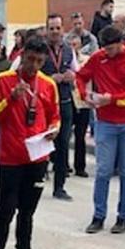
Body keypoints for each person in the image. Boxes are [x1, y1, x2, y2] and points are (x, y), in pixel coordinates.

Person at [0, 37, 59, 249]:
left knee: (28, 211)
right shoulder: (4, 80)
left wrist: (55, 129)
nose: (33, 65)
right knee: (4, 210)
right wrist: (11, 99)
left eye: (39, 61)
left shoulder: (48, 84)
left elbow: (55, 117)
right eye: (30, 60)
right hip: (11, 157)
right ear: (21, 56)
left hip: (37, 156)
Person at [77, 27, 125, 234]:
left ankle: (122, 217)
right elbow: (80, 76)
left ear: (121, 42)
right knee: (103, 171)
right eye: (105, 48)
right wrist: (85, 95)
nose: (108, 52)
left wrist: (112, 99)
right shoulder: (98, 58)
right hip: (105, 122)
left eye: (111, 48)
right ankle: (98, 216)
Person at [42, 14, 78, 201]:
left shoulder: (68, 50)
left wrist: (72, 74)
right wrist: (49, 79)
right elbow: (26, 71)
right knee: (42, 143)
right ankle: (37, 180)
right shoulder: (39, 48)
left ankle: (59, 187)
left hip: (63, 102)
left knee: (63, 144)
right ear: (46, 30)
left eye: (58, 28)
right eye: (52, 28)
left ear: (63, 29)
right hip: (42, 104)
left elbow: (77, 70)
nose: (55, 32)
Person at [67, 34, 91, 179]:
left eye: (75, 44)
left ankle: (80, 166)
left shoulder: (86, 61)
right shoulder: (65, 60)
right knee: (65, 135)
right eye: (71, 45)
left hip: (82, 101)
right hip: (69, 100)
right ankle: (64, 165)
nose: (73, 47)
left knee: (80, 136)